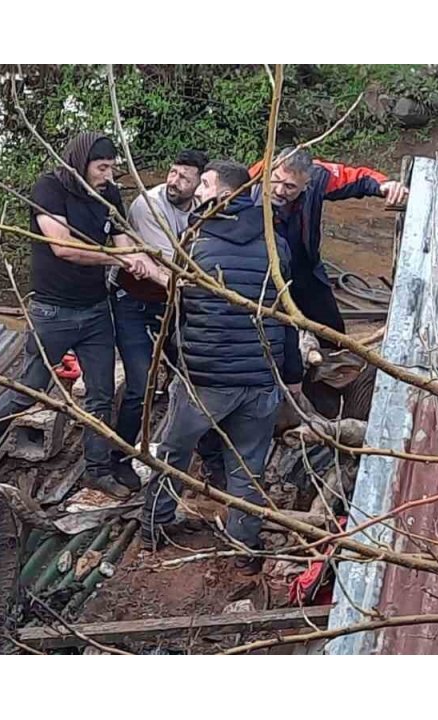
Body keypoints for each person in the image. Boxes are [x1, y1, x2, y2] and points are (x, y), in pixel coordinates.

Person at [141, 160, 302, 574]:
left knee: (173, 453)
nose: (197, 191)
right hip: (259, 378)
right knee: (248, 467)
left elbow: (178, 309)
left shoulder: (194, 240)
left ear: (224, 194)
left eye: (205, 185)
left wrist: (175, 358)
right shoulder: (275, 243)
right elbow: (287, 314)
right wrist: (289, 375)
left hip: (204, 379)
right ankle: (243, 544)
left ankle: (154, 527)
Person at [0, 131, 149, 499]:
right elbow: (62, 247)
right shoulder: (50, 189)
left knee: (100, 394)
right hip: (53, 310)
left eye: (112, 168)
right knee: (31, 386)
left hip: (96, 310)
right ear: (80, 164)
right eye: (101, 167)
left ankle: (97, 470)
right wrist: (118, 259)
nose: (108, 175)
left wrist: (141, 265)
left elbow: (124, 244)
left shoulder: (109, 194)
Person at [108, 149, 208, 490]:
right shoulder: (147, 206)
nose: (174, 181)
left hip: (175, 305)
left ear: (198, 184)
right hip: (135, 301)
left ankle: (206, 453)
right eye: (172, 172)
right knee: (140, 384)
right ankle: (117, 458)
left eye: (184, 178)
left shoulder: (201, 208)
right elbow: (168, 267)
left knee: (196, 373)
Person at [250, 148, 408, 336]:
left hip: (304, 265)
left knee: (332, 334)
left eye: (290, 187)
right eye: (275, 179)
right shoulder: (252, 178)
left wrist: (384, 185)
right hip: (259, 270)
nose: (278, 190)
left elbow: (359, 178)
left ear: (306, 183)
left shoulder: (318, 176)